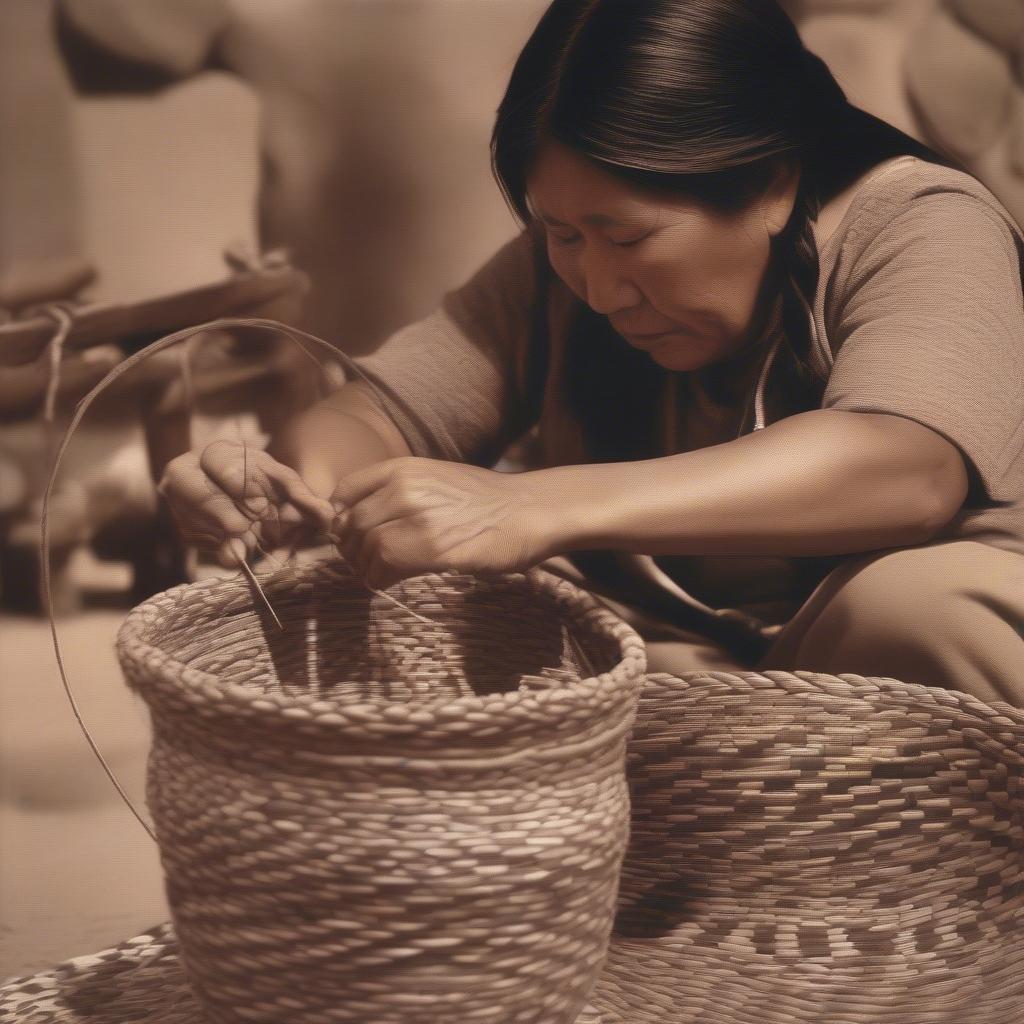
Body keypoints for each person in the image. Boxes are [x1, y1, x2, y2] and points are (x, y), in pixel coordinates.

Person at [161, 0, 1024, 708]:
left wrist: (529, 506)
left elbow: (907, 468)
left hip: (917, 660)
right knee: (451, 619)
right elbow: (378, 412)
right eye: (563, 233)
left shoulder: (921, 223)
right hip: (710, 671)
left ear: (770, 185)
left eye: (629, 237)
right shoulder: (559, 269)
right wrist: (292, 491)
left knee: (904, 611)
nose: (598, 288)